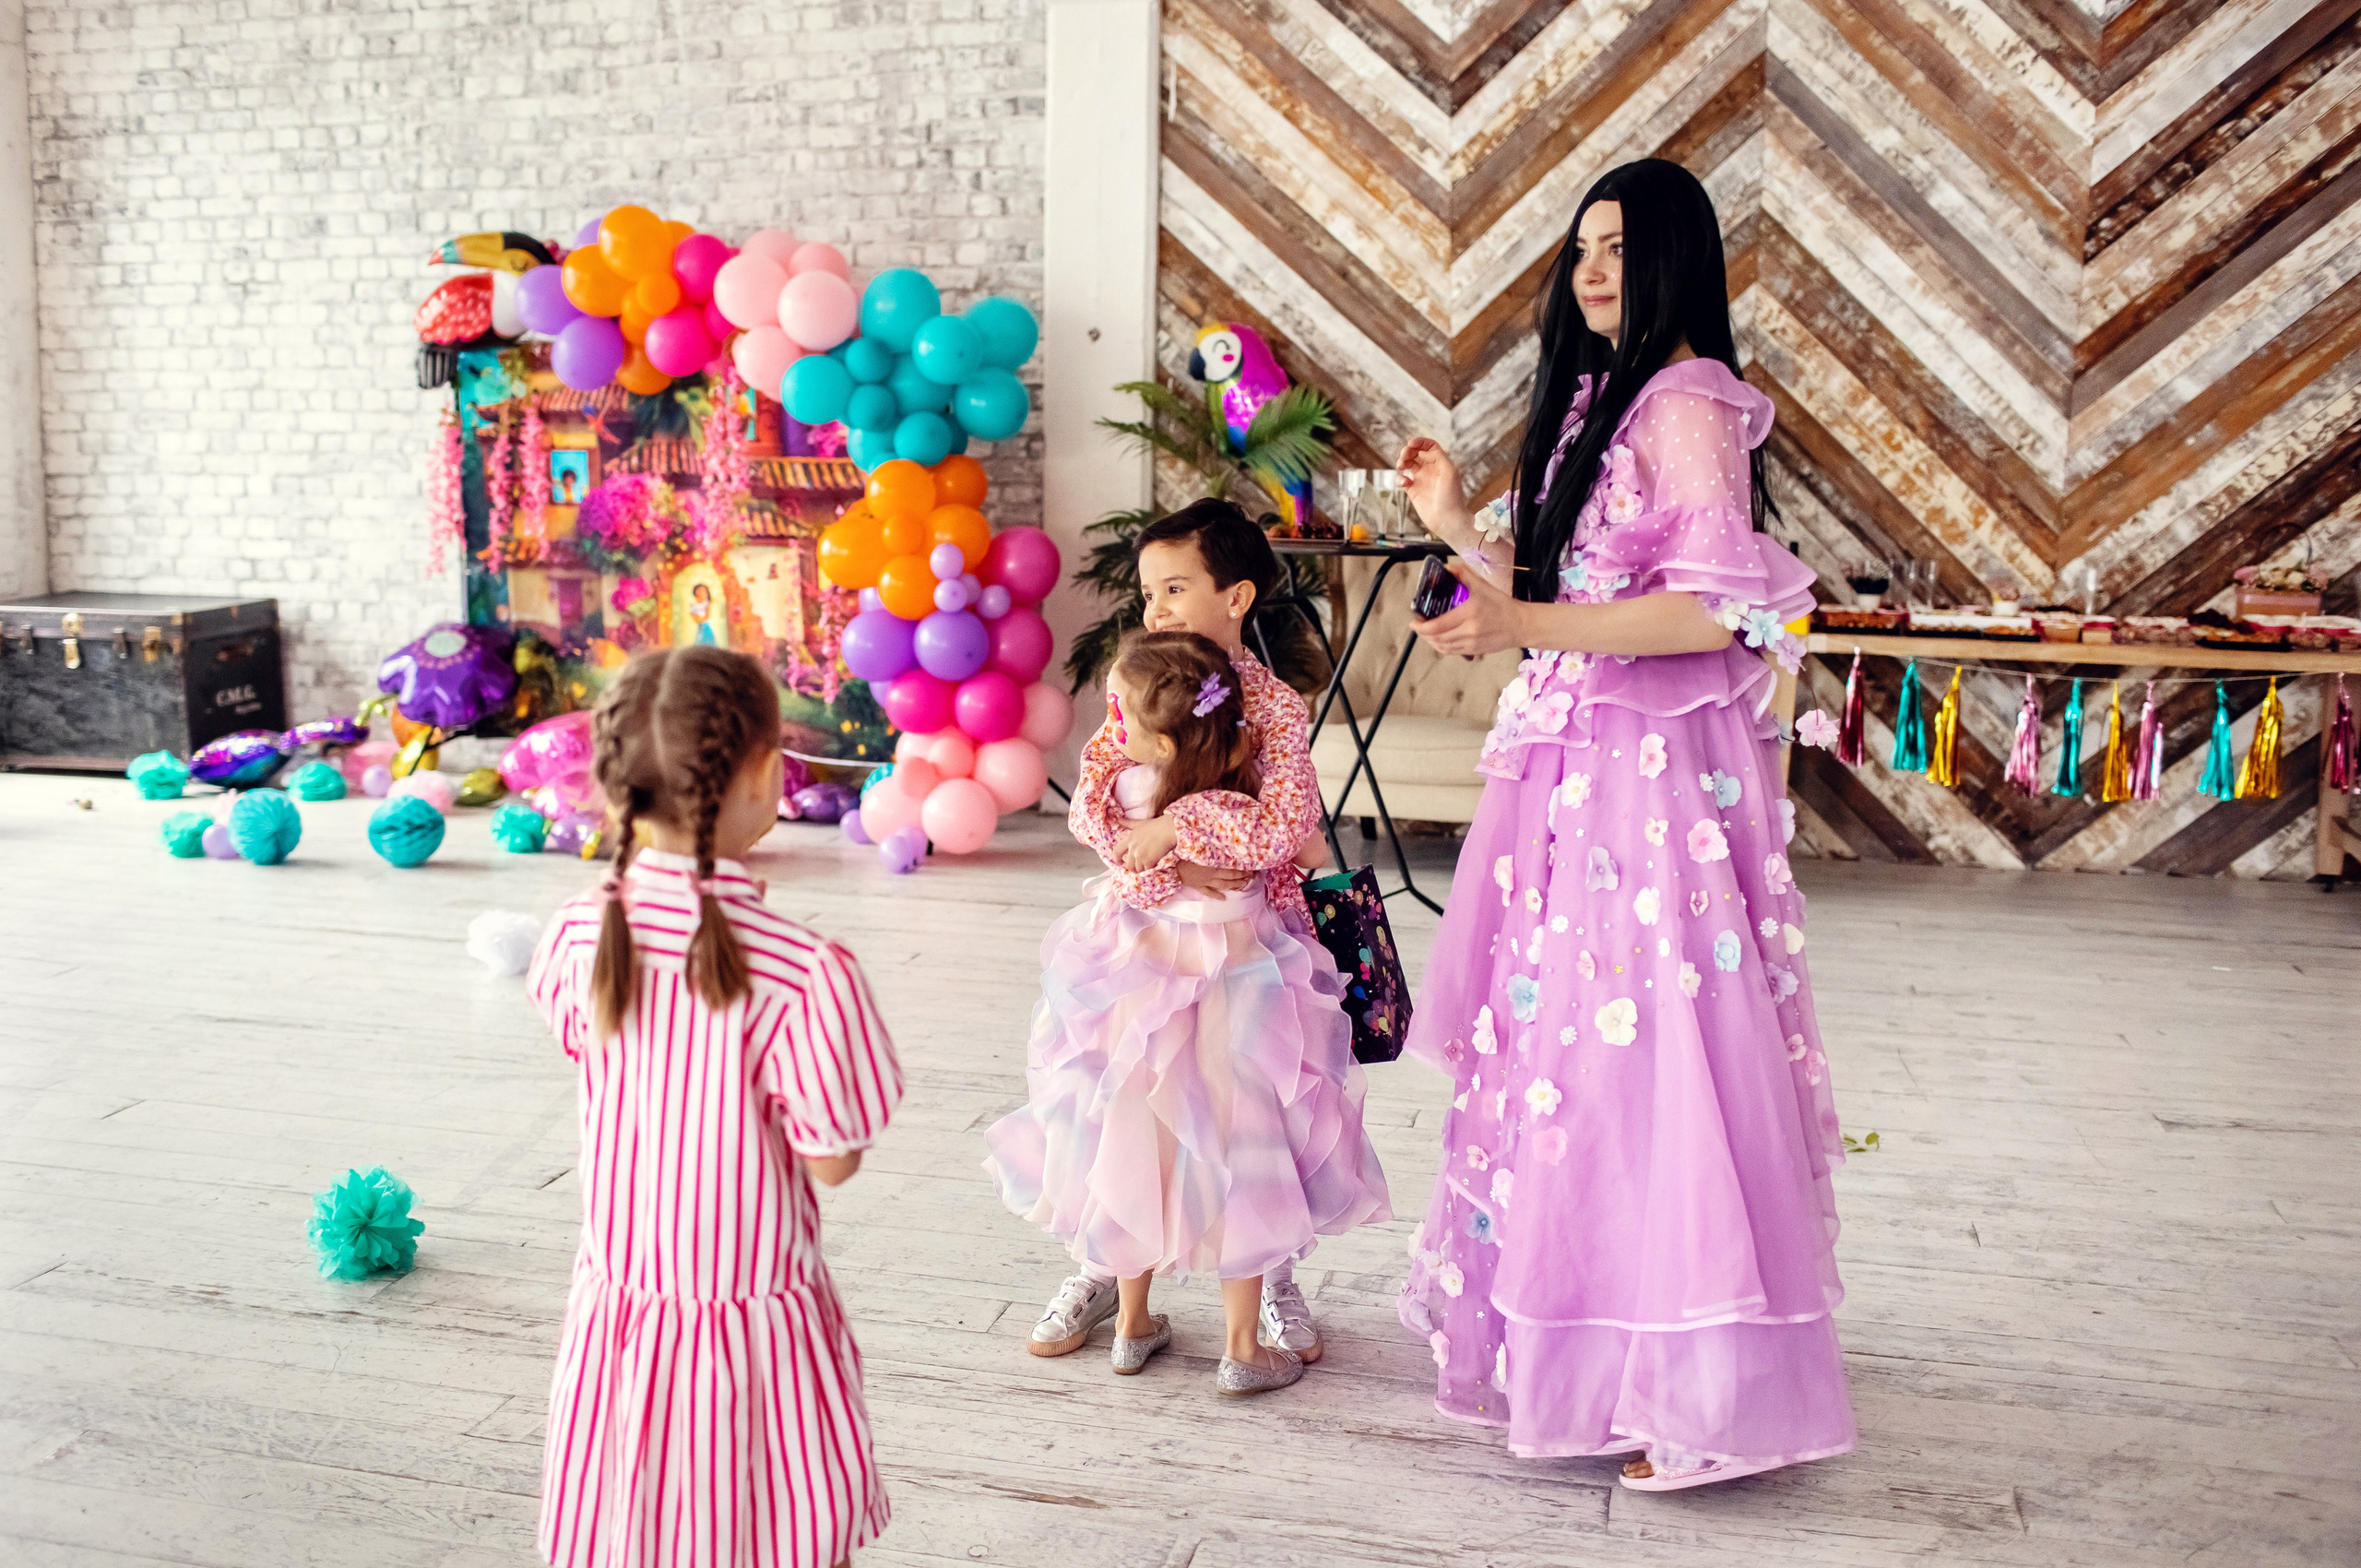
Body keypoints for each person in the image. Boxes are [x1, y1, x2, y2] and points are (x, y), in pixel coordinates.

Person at [1393, 158, 1857, 1490]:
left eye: (1620, 248)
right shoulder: (1606, 398)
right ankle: (1613, 1362)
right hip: (1580, 779)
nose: (1594, 271)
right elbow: (1571, 596)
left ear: (1675, 262)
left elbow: (1707, 615)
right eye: (1581, 248)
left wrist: (1523, 617)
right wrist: (1459, 532)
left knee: (1655, 1053)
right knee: (1577, 1065)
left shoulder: (1689, 400)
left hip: (1647, 793)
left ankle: (1700, 1393)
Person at [528, 646, 903, 1566]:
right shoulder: (805, 971)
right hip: (756, 1328)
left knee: (635, 1531)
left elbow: (586, 1046)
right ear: (765, 770)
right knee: (784, 1532)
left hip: (621, 1309)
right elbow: (831, 1155)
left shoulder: (578, 931)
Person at [984, 628, 1390, 1394]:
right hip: (1244, 994)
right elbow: (1284, 841)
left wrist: (1161, 856)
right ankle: (1242, 1347)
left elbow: (1124, 864)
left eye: (1130, 726)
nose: (1118, 735)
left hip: (1144, 998)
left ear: (1163, 745)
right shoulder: (1242, 802)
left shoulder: (1131, 795)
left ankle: (1134, 1325)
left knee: (1136, 1138)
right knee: (1243, 1146)